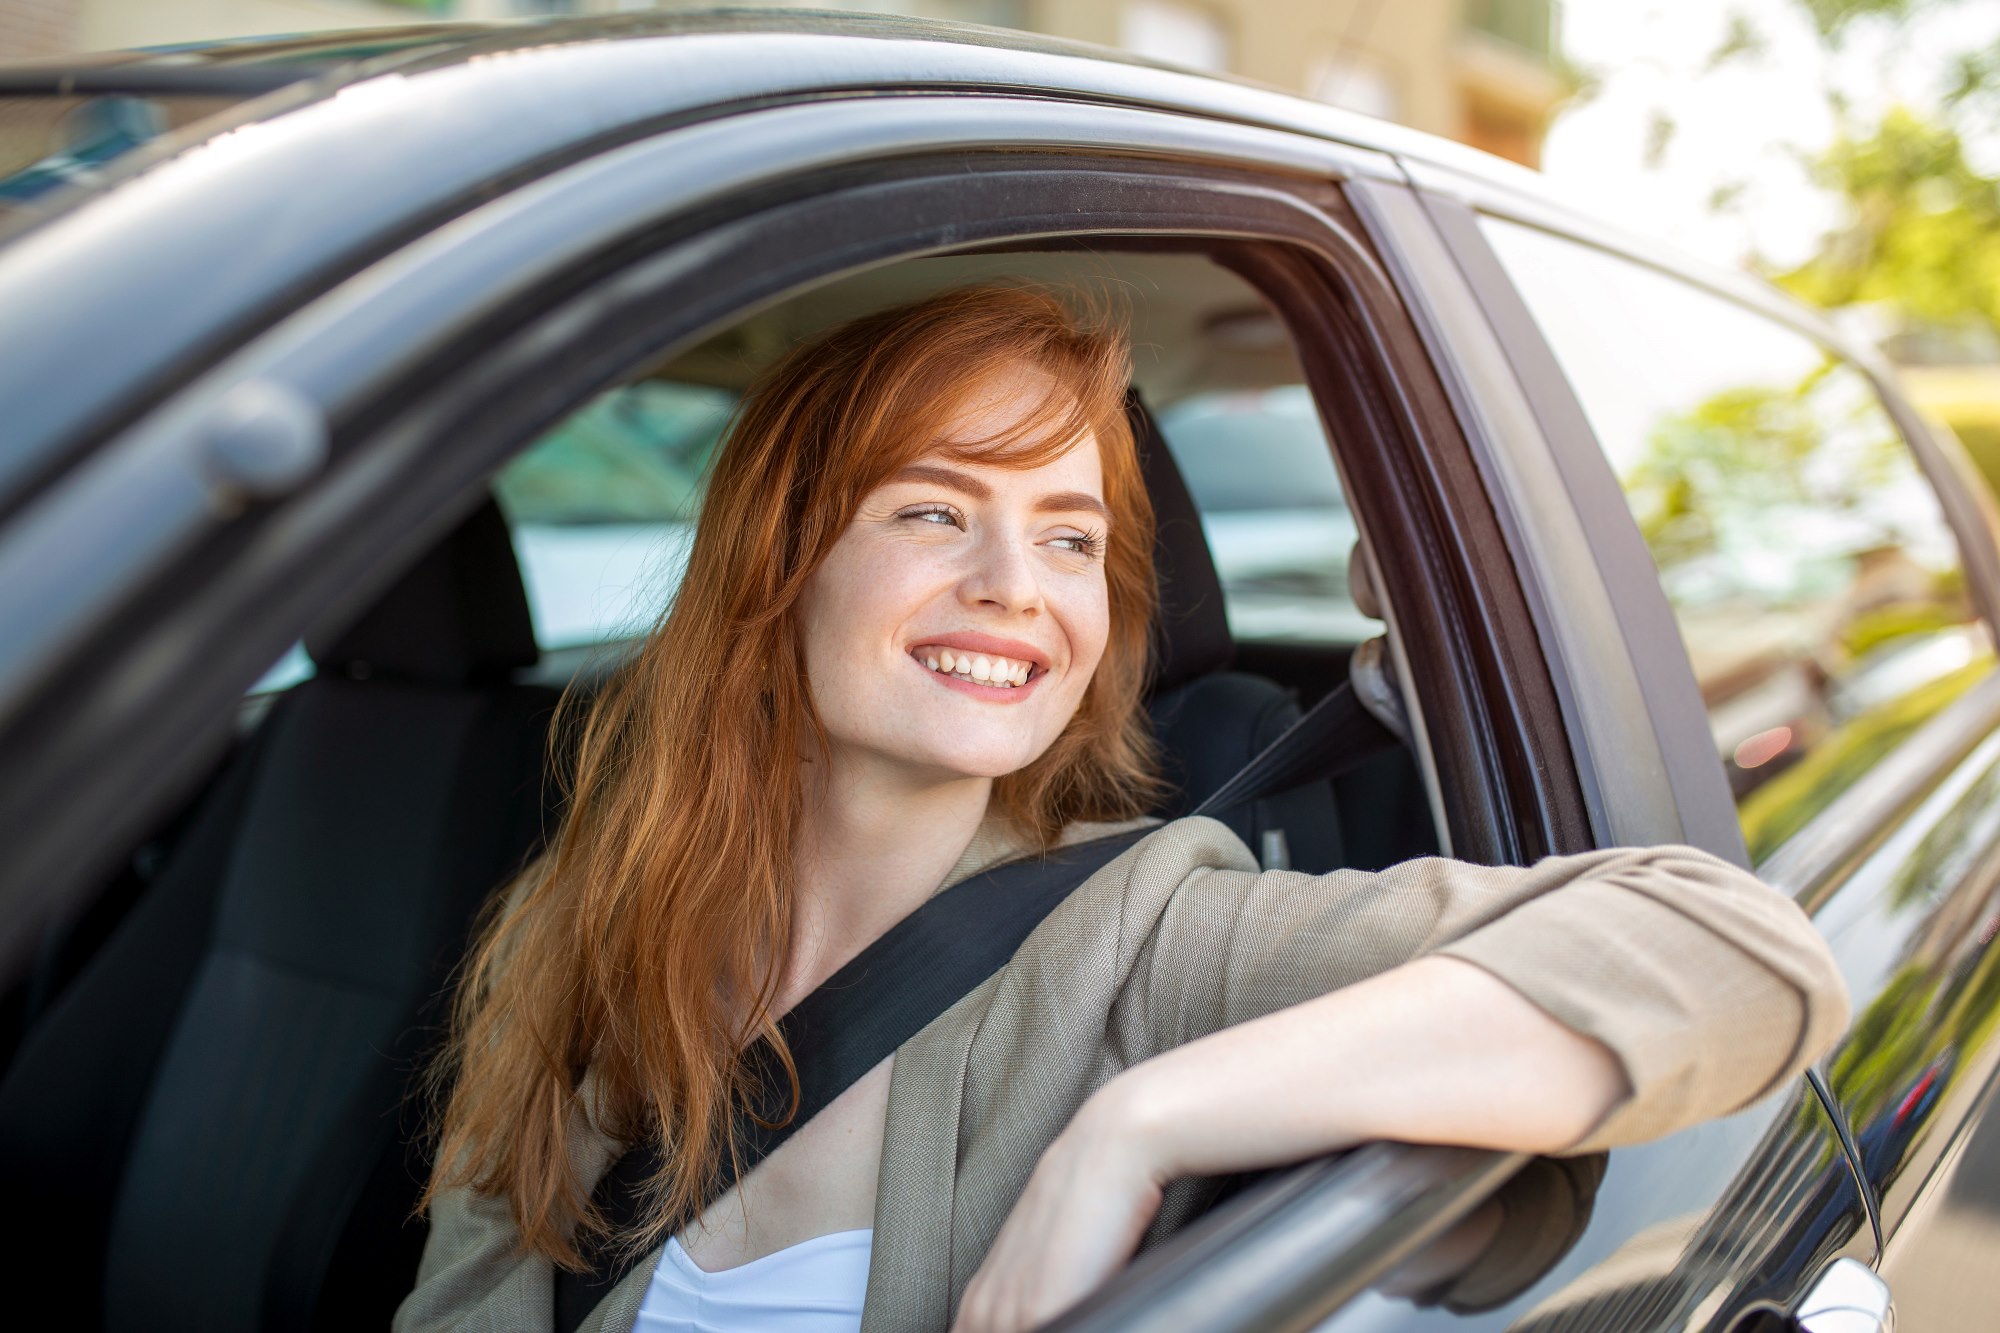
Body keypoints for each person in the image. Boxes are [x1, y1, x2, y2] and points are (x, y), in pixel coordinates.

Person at [394, 284, 1850, 1333]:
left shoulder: (1144, 929)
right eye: (934, 509)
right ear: (781, 567)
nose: (1015, 585)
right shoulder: (578, 923)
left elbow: (1738, 953)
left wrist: (1142, 1122)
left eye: (1070, 535)